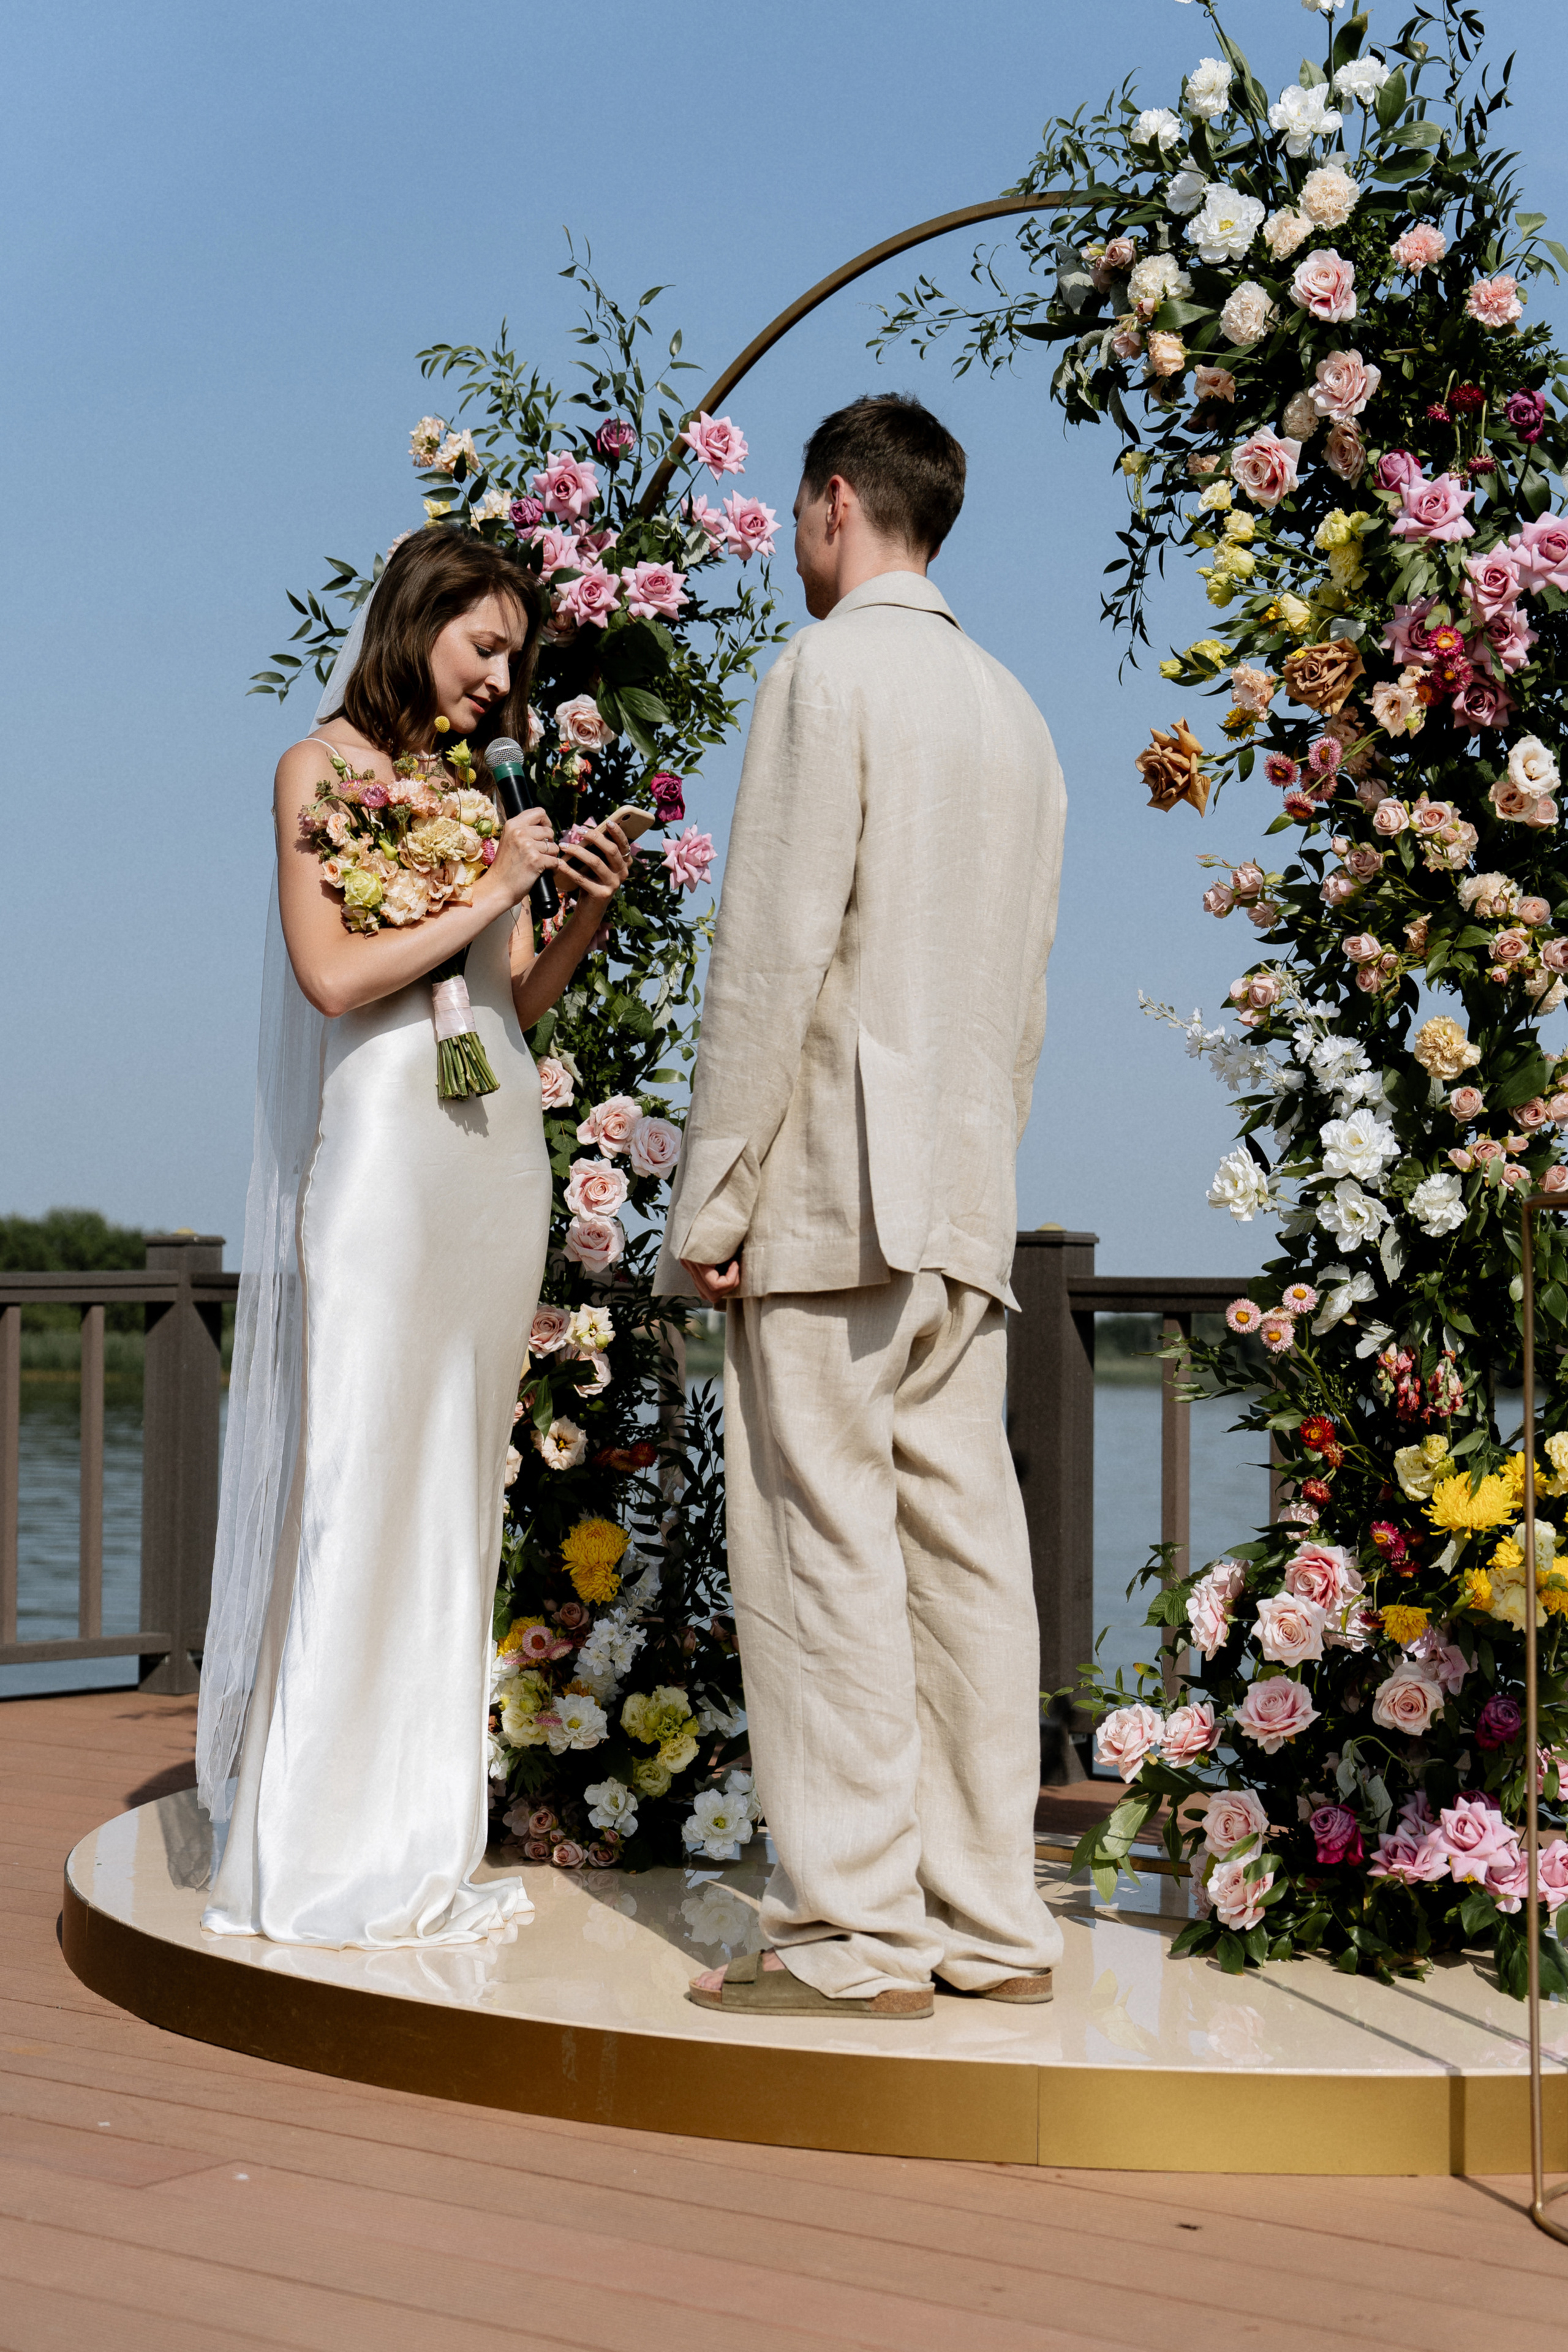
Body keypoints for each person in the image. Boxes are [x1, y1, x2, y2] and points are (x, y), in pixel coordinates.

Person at [656, 394, 1067, 2019]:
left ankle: (850, 1937)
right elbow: (1023, 993)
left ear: (834, 503)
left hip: (833, 1185)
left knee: (822, 1554)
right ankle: (989, 1922)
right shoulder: (1016, 713)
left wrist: (711, 1197)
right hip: (965, 1191)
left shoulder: (825, 674)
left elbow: (768, 954)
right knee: (965, 1562)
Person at [198, 527, 631, 1948]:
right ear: (416, 621)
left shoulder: (470, 790)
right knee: (359, 1473)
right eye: (485, 647)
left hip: (492, 1152)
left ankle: (415, 1836)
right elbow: (332, 979)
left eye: (517, 658)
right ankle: (318, 1854)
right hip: (386, 1158)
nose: (502, 679)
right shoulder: (315, 769)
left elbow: (508, 1000)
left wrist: (578, 910)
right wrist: (494, 887)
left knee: (455, 1490)